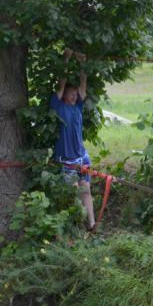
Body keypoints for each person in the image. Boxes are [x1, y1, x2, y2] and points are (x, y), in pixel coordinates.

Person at [50, 49, 95, 231]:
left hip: (81, 157)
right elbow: (61, 84)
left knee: (86, 190)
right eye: (71, 94)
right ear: (64, 96)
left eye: (76, 94)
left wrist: (82, 62)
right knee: (75, 192)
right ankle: (77, 226)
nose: (75, 96)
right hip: (66, 160)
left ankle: (92, 224)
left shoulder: (78, 106)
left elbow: (83, 83)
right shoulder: (58, 105)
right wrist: (66, 59)